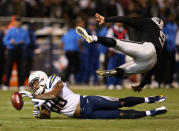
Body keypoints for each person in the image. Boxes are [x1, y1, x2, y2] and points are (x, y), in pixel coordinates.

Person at [20, 71, 167, 119]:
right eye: (33, 87)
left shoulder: (53, 80)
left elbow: (53, 95)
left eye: (35, 84)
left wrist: (35, 97)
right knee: (120, 115)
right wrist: (39, 114)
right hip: (85, 115)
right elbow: (47, 115)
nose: (34, 88)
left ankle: (149, 99)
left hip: (88, 102)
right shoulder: (39, 99)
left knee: (120, 102)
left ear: (41, 78)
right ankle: (152, 112)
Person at [76, 13, 166, 92]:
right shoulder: (163, 37)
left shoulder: (148, 22)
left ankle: (94, 38)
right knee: (125, 70)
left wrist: (107, 19)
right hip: (151, 63)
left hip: (147, 48)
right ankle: (116, 72)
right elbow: (156, 64)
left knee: (117, 43)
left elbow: (125, 20)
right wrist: (141, 85)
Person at [2, 17, 30, 91]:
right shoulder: (10, 30)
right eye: (16, 22)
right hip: (11, 50)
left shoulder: (24, 31)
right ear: (14, 23)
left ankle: (21, 84)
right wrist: (10, 42)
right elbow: (5, 41)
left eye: (19, 21)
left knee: (20, 68)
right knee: (9, 68)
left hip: (20, 50)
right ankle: (6, 84)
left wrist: (23, 42)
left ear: (20, 23)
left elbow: (28, 41)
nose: (17, 23)